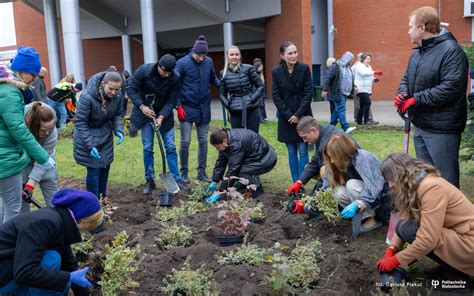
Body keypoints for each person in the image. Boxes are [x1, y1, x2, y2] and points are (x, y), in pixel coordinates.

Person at [394, 6, 468, 188]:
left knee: (445, 181)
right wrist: (403, 94)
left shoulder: (452, 51)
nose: (408, 31)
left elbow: (450, 88)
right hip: (420, 124)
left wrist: (416, 99)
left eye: (411, 26)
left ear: (422, 28)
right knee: (426, 180)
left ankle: (452, 216)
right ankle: (431, 214)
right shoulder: (417, 52)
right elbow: (407, 77)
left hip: (442, 129)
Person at [376, 153, 474, 280]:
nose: (390, 185)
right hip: (459, 238)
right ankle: (450, 266)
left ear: (399, 175)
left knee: (411, 229)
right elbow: (404, 220)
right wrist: (391, 249)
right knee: (405, 226)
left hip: (469, 245)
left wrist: (397, 260)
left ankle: (457, 278)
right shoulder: (417, 184)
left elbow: (428, 239)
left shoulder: (432, 188)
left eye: (391, 179)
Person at [0, 188, 103, 295]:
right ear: (81, 221)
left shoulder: (59, 221)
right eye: (87, 228)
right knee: (52, 259)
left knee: (61, 279)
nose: (84, 232)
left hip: (11, 270)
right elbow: (24, 272)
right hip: (3, 275)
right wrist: (68, 277)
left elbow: (69, 265)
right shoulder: (45, 223)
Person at [0, 46, 55, 224]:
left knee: (5, 206)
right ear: (23, 71)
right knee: (13, 208)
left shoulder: (5, 89)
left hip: (6, 155)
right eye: (33, 74)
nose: (34, 80)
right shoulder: (10, 92)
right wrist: (42, 156)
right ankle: (10, 248)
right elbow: (18, 129)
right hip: (6, 158)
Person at [126, 54, 185, 194]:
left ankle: (176, 178)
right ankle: (149, 179)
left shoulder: (175, 77)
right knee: (148, 147)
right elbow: (131, 88)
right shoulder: (144, 71)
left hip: (164, 114)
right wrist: (141, 106)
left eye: (169, 72)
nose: (166, 74)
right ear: (159, 65)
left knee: (170, 146)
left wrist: (162, 117)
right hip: (145, 113)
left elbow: (172, 100)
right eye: (164, 71)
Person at [175, 35, 220, 183]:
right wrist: (178, 105)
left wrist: (224, 86)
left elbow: (213, 79)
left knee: (203, 141)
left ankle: (201, 172)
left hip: (203, 108)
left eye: (204, 55)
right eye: (199, 55)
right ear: (193, 52)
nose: (202, 58)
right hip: (187, 108)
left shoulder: (208, 62)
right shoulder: (181, 63)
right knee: (185, 141)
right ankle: (184, 173)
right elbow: (175, 86)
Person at [322, 134, 389, 232]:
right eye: (330, 157)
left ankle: (373, 219)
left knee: (351, 184)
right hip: (363, 197)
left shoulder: (363, 158)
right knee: (338, 192)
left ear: (342, 153)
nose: (331, 161)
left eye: (333, 157)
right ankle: (362, 217)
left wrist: (356, 204)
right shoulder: (334, 164)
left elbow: (374, 188)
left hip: (380, 198)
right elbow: (326, 187)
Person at [73, 71, 124, 201]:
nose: (113, 92)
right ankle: (94, 203)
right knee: (94, 170)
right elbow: (80, 122)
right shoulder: (87, 97)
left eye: (117, 89)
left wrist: (118, 129)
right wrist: (90, 145)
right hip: (87, 135)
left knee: (105, 167)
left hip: (105, 136)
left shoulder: (117, 96)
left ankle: (103, 199)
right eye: (110, 89)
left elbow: (117, 114)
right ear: (103, 84)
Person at [271, 41, 313, 183]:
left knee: (303, 150)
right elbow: (276, 96)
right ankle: (295, 182)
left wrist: (298, 115)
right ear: (283, 56)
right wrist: (290, 115)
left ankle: (302, 181)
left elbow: (308, 93)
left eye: (295, 52)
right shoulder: (276, 72)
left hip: (303, 115)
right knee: (291, 151)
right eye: (290, 53)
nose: (294, 55)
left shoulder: (304, 68)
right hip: (286, 117)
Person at [287, 116, 359, 196]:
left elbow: (326, 176)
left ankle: (339, 192)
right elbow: (315, 161)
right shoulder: (323, 133)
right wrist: (300, 181)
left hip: (353, 176)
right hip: (343, 171)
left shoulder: (328, 141)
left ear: (313, 130)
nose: (304, 141)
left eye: (305, 137)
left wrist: (310, 200)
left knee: (323, 170)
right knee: (308, 167)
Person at [205, 128, 277, 203]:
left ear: (224, 141)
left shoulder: (236, 144)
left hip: (267, 159)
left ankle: (257, 189)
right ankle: (245, 185)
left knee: (239, 171)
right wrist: (215, 181)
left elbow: (233, 170)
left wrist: (220, 192)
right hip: (257, 156)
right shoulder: (225, 140)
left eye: (217, 147)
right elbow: (221, 161)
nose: (217, 149)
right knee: (239, 170)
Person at [21, 102, 58, 211]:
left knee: (54, 201)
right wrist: (22, 185)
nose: (47, 133)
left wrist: (30, 184)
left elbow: (44, 158)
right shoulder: (18, 126)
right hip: (22, 163)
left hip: (44, 164)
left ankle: (57, 223)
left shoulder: (52, 131)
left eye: (50, 129)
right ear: (32, 126)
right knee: (21, 205)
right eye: (43, 130)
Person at [219, 45, 264, 133]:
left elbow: (260, 85)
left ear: (240, 56)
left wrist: (252, 99)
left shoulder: (248, 68)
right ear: (227, 56)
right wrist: (228, 105)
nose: (234, 57)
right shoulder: (223, 73)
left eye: (237, 54)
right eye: (231, 55)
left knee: (253, 137)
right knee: (237, 138)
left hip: (251, 108)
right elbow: (222, 94)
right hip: (235, 110)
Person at [322, 51, 357, 134]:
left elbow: (349, 79)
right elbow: (328, 77)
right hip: (338, 92)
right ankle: (346, 127)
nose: (352, 61)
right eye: (351, 59)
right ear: (347, 59)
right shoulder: (336, 66)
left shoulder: (348, 68)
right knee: (341, 109)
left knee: (337, 110)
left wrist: (354, 87)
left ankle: (331, 127)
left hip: (345, 92)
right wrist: (325, 89)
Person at [353, 53, 382, 125]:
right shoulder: (359, 66)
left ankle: (359, 121)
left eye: (369, 59)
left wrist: (374, 78)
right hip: (360, 88)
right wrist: (375, 72)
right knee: (368, 102)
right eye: (367, 59)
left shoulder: (369, 66)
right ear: (363, 59)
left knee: (362, 105)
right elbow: (363, 73)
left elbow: (369, 75)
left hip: (367, 88)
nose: (369, 60)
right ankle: (366, 120)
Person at [253, 59, 268, 123]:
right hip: (257, 93)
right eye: (260, 67)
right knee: (259, 106)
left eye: (262, 67)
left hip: (261, 93)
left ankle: (263, 118)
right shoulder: (254, 74)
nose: (261, 68)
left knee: (262, 106)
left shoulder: (261, 74)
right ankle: (260, 118)